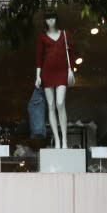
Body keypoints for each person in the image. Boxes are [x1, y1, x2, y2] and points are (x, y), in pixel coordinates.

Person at [34, 11, 75, 149]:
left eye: (52, 18)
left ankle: (65, 139)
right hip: (47, 73)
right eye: (47, 18)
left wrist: (72, 70)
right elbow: (39, 57)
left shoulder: (65, 34)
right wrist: (37, 76)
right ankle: (57, 139)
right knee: (51, 106)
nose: (50, 21)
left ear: (56, 19)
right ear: (45, 21)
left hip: (62, 72)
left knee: (60, 102)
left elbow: (72, 53)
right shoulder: (42, 37)